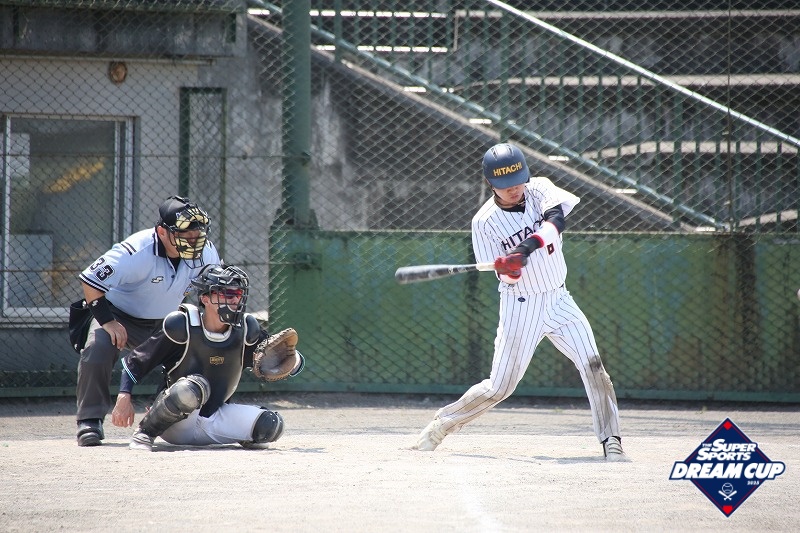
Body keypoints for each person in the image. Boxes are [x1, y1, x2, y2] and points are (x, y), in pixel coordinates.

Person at [412, 142, 627, 461]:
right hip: (521, 305)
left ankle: (611, 438)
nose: (514, 189)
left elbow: (556, 222)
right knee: (500, 387)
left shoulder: (539, 189)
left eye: (518, 181)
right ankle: (442, 424)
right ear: (490, 183)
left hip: (559, 298)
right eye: (505, 185)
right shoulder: (484, 222)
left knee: (593, 365)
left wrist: (524, 249)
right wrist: (509, 269)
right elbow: (507, 279)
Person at [74, 196, 220, 447]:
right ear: (162, 232)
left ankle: (176, 417)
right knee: (97, 348)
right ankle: (89, 420)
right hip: (120, 317)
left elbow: (214, 288)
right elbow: (90, 280)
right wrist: (107, 322)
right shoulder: (136, 251)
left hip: (168, 322)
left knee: (198, 355)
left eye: (198, 234)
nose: (193, 241)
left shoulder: (205, 250)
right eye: (185, 235)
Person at [111, 264, 304, 451]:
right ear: (205, 298)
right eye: (227, 294)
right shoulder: (182, 325)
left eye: (238, 294)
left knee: (271, 424)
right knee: (193, 387)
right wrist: (124, 396)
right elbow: (135, 362)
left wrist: (292, 360)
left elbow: (281, 355)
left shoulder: (246, 329)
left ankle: (239, 435)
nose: (235, 300)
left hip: (216, 415)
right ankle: (145, 432)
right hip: (176, 422)